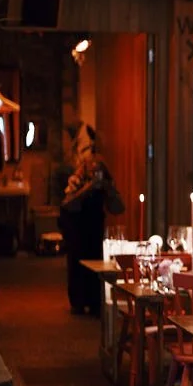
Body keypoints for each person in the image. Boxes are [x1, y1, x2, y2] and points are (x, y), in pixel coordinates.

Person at [59, 134, 123, 315]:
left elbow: (119, 208)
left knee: (96, 267)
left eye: (98, 169)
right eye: (92, 168)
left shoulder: (104, 185)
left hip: (95, 230)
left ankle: (95, 302)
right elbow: (67, 204)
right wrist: (88, 188)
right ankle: (78, 303)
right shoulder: (76, 182)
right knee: (78, 267)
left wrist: (108, 188)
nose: (94, 172)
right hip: (77, 230)